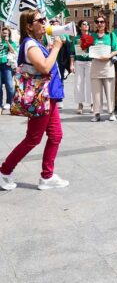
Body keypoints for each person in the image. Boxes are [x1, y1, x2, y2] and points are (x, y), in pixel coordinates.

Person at [0, 10, 69, 191]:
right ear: (29, 26)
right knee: (33, 138)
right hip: (41, 98)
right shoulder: (30, 45)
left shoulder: (36, 43)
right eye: (41, 20)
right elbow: (45, 67)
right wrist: (56, 47)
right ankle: (4, 171)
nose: (45, 22)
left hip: (48, 96)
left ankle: (47, 176)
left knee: (56, 135)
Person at [90, 15, 117, 122]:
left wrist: (109, 56)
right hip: (95, 65)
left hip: (107, 66)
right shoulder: (91, 36)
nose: (99, 24)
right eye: (97, 22)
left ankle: (111, 112)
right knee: (96, 92)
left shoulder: (111, 35)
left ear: (105, 23)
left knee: (110, 90)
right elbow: (86, 50)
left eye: (102, 22)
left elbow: (116, 50)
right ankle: (97, 113)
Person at [69, 20, 93, 114]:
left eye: (87, 24)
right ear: (80, 27)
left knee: (90, 83)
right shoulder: (76, 38)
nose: (86, 25)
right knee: (78, 83)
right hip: (79, 62)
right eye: (84, 24)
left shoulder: (92, 37)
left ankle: (92, 104)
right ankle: (80, 104)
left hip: (90, 62)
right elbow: (72, 53)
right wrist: (71, 64)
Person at [0, 26, 18, 114]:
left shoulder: (11, 42)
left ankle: (10, 103)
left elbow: (13, 51)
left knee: (10, 86)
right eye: (3, 32)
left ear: (9, 34)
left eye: (6, 33)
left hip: (7, 66)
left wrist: (7, 41)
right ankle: (0, 105)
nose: (4, 34)